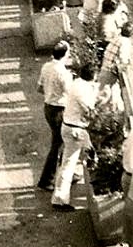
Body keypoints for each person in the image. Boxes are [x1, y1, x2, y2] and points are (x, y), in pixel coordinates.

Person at [51, 65, 98, 211]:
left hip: (69, 126)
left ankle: (60, 195)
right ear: (93, 76)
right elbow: (90, 111)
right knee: (74, 162)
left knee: (69, 161)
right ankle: (60, 200)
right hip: (76, 130)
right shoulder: (84, 91)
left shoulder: (76, 83)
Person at [36, 40, 73, 191]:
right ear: (65, 55)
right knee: (58, 144)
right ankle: (46, 180)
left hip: (48, 107)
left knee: (62, 141)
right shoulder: (64, 73)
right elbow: (71, 94)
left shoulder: (46, 66)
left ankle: (67, 171)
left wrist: (51, 93)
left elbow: (39, 88)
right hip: (59, 110)